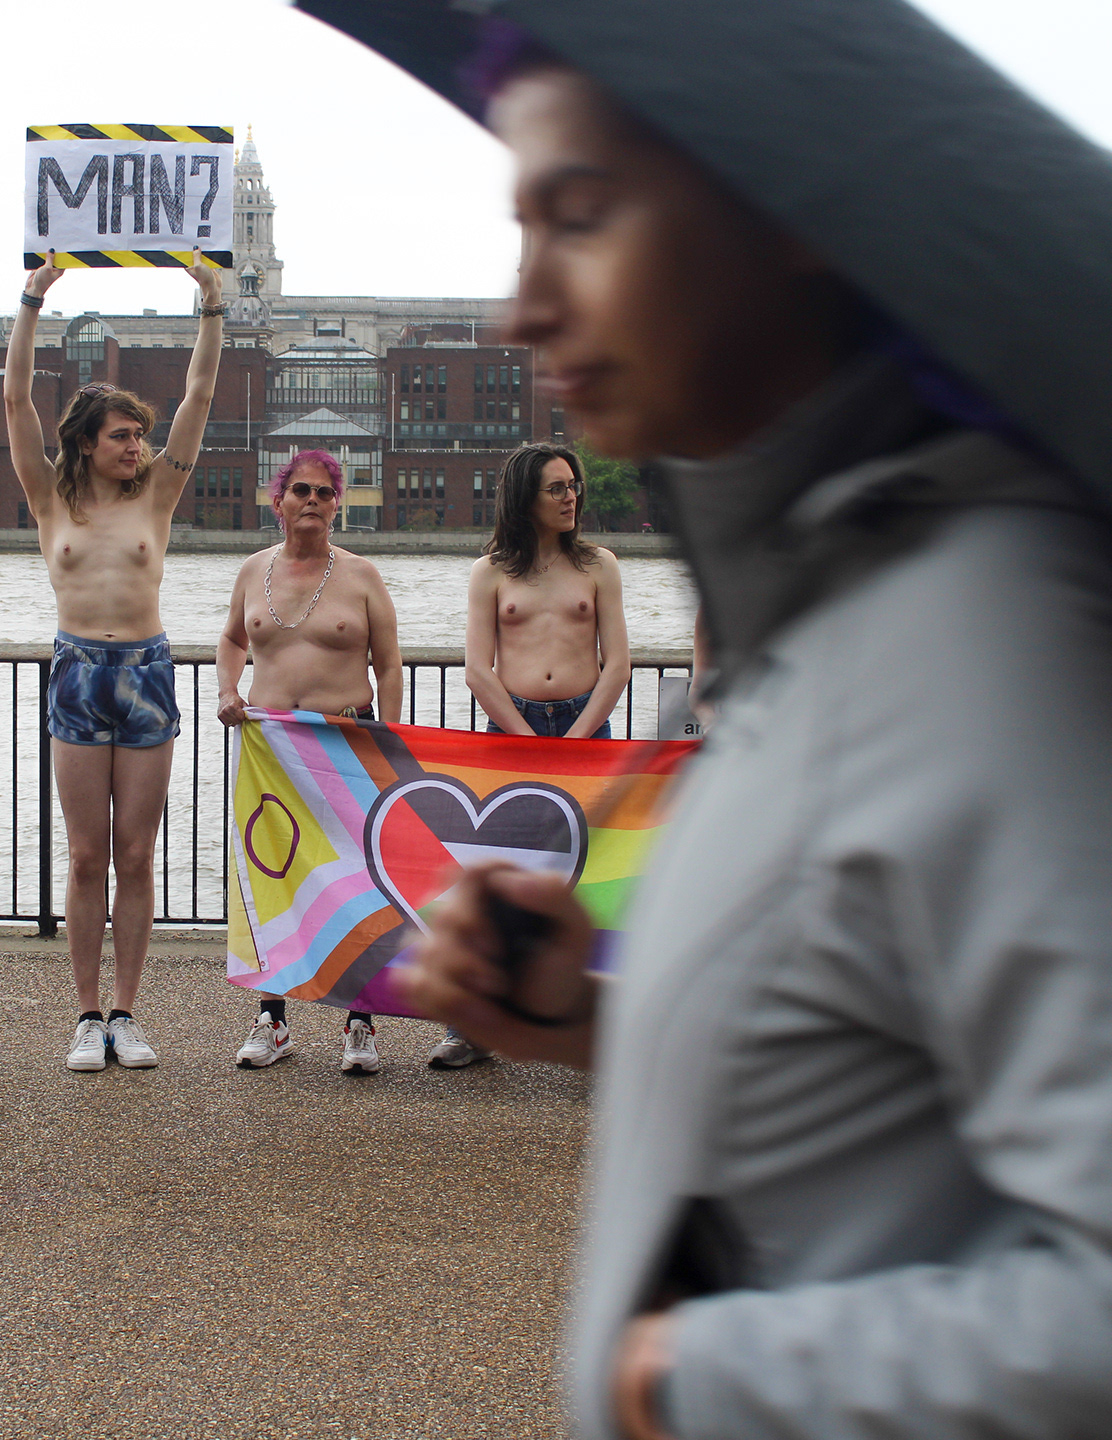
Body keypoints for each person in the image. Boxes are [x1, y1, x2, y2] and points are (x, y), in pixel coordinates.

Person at [372, 22, 1112, 1440]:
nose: (524, 305)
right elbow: (885, 1076)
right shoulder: (832, 599)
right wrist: (594, 1014)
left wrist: (682, 1383)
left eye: (579, 214)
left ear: (793, 217)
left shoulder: (990, 630)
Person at [4, 248, 226, 1072]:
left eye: (140, 435)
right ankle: (84, 1014)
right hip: (75, 673)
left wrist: (210, 309)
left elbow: (200, 396)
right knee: (87, 853)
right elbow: (16, 399)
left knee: (135, 853)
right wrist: (32, 300)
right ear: (89, 444)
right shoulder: (47, 496)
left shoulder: (158, 496)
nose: (138, 446)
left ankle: (127, 1012)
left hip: (146, 672)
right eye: (124, 436)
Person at [215, 449, 412, 1074]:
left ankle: (360, 1019)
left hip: (346, 746)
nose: (313, 502)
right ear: (278, 501)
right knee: (274, 879)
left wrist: (390, 729)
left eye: (325, 494)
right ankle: (272, 1018)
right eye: (301, 490)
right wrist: (227, 690)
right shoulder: (253, 570)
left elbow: (387, 661)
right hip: (271, 748)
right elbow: (231, 638)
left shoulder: (360, 576)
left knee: (358, 881)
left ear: (338, 505)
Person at [465, 442, 629, 740]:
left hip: (586, 721)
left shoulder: (599, 564)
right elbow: (477, 670)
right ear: (525, 498)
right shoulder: (489, 571)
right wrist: (525, 738)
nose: (570, 498)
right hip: (511, 723)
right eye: (556, 489)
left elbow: (618, 665)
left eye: (572, 487)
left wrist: (577, 737)